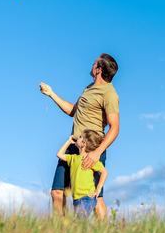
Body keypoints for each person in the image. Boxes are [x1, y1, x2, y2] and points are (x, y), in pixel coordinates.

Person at [40, 53, 120, 219]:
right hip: (74, 145)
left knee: (95, 196)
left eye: (94, 63)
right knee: (57, 192)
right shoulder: (88, 89)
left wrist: (96, 153)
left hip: (92, 148)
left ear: (98, 69)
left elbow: (115, 127)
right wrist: (51, 94)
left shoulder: (109, 93)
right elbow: (73, 111)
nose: (91, 65)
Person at [56, 130, 108, 217]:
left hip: (87, 198)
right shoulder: (73, 158)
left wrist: (98, 188)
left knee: (79, 223)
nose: (77, 137)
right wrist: (69, 141)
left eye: (80, 137)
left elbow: (104, 172)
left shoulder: (90, 160)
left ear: (83, 143)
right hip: (76, 199)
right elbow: (59, 154)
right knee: (79, 224)